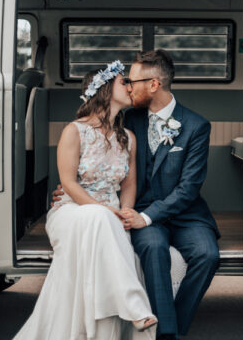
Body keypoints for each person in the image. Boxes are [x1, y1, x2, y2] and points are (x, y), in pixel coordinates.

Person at [54, 50, 221, 340]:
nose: (129, 86)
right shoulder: (127, 120)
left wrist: (145, 217)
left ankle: (173, 326)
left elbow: (189, 188)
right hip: (140, 211)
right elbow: (100, 155)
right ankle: (165, 334)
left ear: (153, 84)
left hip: (185, 214)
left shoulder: (196, 126)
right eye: (125, 82)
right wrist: (71, 187)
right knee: (154, 250)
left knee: (208, 255)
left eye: (132, 81)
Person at [14, 62, 157, 340]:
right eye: (122, 83)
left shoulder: (128, 137)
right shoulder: (74, 131)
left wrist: (125, 211)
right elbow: (68, 183)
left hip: (110, 216)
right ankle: (134, 305)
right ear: (104, 90)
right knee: (98, 217)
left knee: (104, 220)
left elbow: (129, 184)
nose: (130, 87)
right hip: (72, 210)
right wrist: (104, 209)